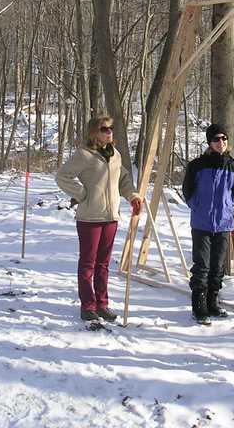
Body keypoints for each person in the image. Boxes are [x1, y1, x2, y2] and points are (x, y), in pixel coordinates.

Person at [56, 115, 142, 322]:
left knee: (103, 264)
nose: (109, 132)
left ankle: (102, 304)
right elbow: (62, 176)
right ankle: (88, 305)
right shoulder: (84, 155)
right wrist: (82, 194)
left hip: (111, 217)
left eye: (110, 128)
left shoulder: (115, 155)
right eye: (104, 129)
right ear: (94, 132)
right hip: (89, 218)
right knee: (88, 263)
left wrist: (132, 196)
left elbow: (123, 179)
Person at [182, 123, 234, 325]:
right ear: (209, 142)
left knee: (218, 267)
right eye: (216, 139)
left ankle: (212, 302)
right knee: (202, 266)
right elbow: (188, 190)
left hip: (224, 224)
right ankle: (199, 306)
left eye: (224, 139)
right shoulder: (197, 165)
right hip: (202, 223)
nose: (221, 143)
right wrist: (197, 206)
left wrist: (226, 207)